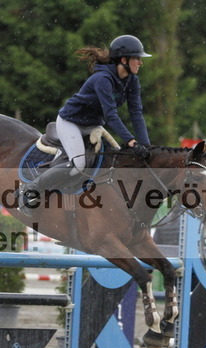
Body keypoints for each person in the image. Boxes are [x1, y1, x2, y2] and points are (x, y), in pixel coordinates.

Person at [17, 34, 152, 215]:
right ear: (124, 60)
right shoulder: (103, 79)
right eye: (137, 58)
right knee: (78, 165)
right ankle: (29, 190)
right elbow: (111, 115)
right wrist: (131, 142)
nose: (140, 62)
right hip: (70, 122)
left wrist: (146, 145)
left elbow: (136, 113)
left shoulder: (132, 81)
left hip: (91, 125)